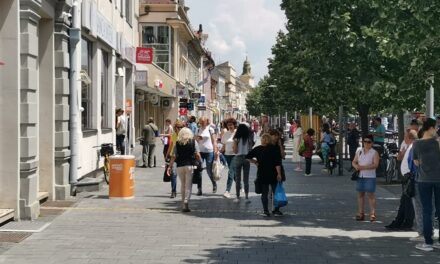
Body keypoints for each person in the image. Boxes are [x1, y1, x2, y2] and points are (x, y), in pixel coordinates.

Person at [412, 118, 440, 251]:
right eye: (436, 127)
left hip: (424, 180)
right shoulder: (438, 142)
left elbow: (416, 162)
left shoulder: (417, 144)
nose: (437, 129)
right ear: (431, 128)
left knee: (427, 211)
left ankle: (428, 242)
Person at [385, 130, 418, 230]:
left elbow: (414, 164)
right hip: (407, 178)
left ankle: (407, 223)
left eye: (405, 136)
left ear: (409, 138)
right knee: (404, 202)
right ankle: (399, 221)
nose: (404, 138)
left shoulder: (413, 147)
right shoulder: (410, 147)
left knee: (408, 202)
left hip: (410, 178)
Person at [246, 133, 283, 216]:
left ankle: (266, 211)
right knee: (275, 192)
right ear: (270, 140)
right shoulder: (274, 149)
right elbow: (277, 163)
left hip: (262, 173)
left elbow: (247, 157)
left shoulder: (257, 149)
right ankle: (276, 210)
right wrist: (279, 174)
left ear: (262, 140)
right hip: (273, 173)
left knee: (264, 193)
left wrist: (255, 162)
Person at [167, 127, 201, 213]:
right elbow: (197, 154)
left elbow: (173, 156)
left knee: (183, 184)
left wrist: (170, 166)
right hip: (189, 165)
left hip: (179, 166)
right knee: (188, 185)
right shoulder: (193, 142)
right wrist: (199, 162)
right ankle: (186, 201)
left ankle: (183, 203)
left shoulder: (177, 143)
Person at [352, 134, 380, 222]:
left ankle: (372, 213)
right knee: (360, 194)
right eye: (365, 141)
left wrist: (363, 167)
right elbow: (354, 161)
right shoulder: (359, 151)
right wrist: (355, 166)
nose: (366, 143)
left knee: (371, 195)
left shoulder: (374, 152)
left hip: (370, 176)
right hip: (360, 176)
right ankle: (361, 213)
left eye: (369, 142)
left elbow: (375, 165)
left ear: (372, 143)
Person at [195, 117, 218, 195]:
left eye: (202, 122)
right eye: (200, 121)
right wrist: (197, 138)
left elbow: (214, 141)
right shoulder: (198, 130)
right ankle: (199, 189)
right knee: (199, 170)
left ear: (206, 121)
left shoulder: (210, 129)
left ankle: (214, 183)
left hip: (209, 152)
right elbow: (195, 140)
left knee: (209, 170)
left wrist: (215, 151)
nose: (201, 123)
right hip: (199, 152)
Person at [231, 124, 252, 202]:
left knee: (238, 178)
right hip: (247, 158)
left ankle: (237, 197)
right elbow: (251, 149)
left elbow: (235, 151)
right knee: (246, 179)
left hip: (238, 158)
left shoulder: (236, 138)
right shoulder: (248, 139)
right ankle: (246, 197)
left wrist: (235, 144)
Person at [165, 120, 184, 198]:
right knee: (173, 173)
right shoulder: (174, 135)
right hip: (174, 156)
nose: (178, 129)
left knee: (183, 175)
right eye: (177, 127)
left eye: (180, 127)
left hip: (183, 156)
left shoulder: (185, 135)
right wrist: (167, 154)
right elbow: (171, 145)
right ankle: (173, 191)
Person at [221, 118, 237, 198]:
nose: (230, 126)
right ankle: (239, 185)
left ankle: (227, 191)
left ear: (234, 125)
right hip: (227, 155)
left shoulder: (237, 133)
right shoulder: (226, 134)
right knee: (233, 172)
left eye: (231, 124)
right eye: (228, 125)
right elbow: (224, 145)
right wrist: (218, 152)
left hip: (235, 155)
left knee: (230, 171)